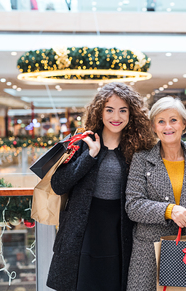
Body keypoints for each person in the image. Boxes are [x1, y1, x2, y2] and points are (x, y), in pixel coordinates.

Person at [46, 82, 156, 291]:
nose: (117, 117)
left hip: (120, 231)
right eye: (110, 110)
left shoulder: (138, 148)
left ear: (131, 114)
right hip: (84, 230)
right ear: (99, 111)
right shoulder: (82, 142)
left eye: (123, 110)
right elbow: (58, 184)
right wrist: (90, 156)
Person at [125, 96, 186, 291]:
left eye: (173, 120)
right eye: (161, 121)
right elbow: (133, 205)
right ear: (154, 127)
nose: (167, 126)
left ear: (184, 124)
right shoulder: (142, 159)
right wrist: (170, 211)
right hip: (149, 253)